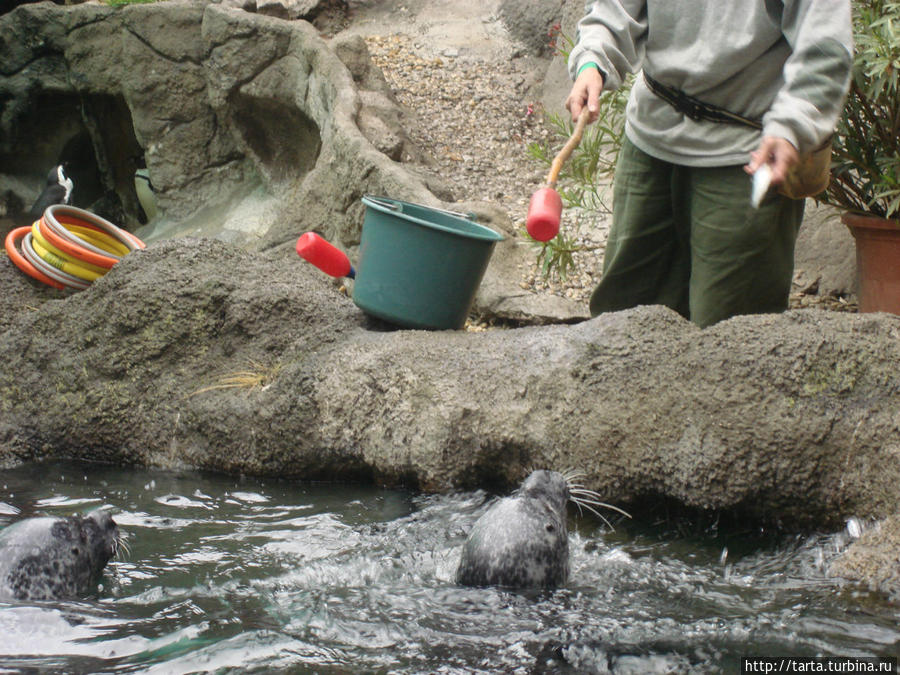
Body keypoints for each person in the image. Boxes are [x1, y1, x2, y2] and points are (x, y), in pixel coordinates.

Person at [565, 1, 853, 327]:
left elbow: (826, 47)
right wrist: (592, 59)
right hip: (651, 137)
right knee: (621, 319)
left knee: (730, 336)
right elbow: (615, 9)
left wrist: (794, 124)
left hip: (748, 153)